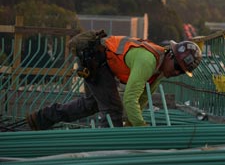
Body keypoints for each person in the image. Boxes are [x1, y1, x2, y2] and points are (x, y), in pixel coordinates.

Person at [26, 31, 202, 130]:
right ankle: (105, 151)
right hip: (96, 59)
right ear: (170, 54)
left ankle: (41, 118)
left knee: (91, 104)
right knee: (113, 110)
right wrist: (141, 128)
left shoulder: (159, 71)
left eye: (181, 72)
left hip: (98, 60)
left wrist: (132, 124)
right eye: (177, 67)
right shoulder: (149, 61)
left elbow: (141, 100)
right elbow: (129, 99)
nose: (176, 72)